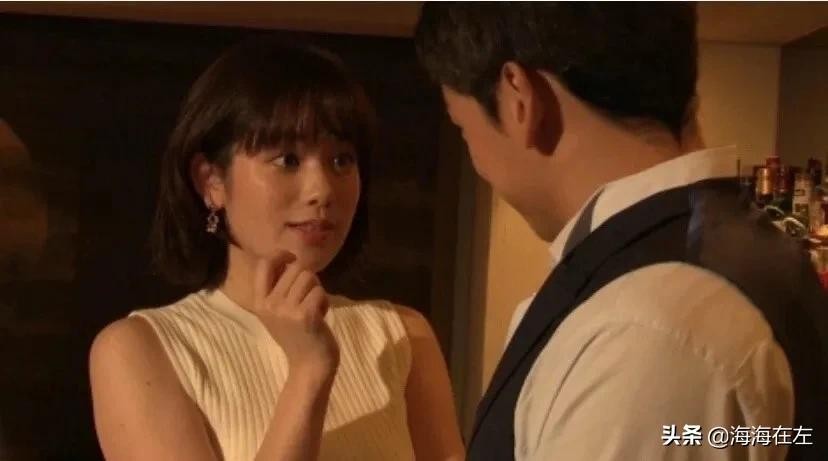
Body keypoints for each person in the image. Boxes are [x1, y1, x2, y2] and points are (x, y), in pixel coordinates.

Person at [416, 3, 828, 460]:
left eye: (463, 128)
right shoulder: (736, 250)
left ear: (518, 99)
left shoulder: (645, 330)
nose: (475, 158)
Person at [89, 39, 464, 461]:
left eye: (342, 160)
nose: (322, 190)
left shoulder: (402, 336)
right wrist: (308, 371)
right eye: (287, 160)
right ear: (211, 181)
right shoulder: (140, 350)